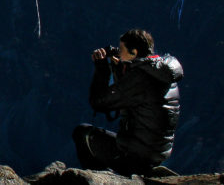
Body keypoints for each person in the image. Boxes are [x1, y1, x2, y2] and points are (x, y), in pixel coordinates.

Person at [72, 29, 183, 176]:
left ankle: (100, 180)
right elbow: (133, 97)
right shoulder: (162, 72)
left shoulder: (140, 78)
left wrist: (102, 69)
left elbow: (99, 102)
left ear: (134, 52)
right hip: (155, 153)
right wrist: (120, 70)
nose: (119, 53)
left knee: (82, 133)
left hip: (136, 156)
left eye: (122, 49)